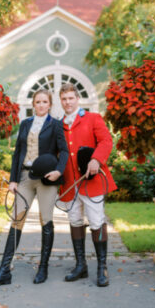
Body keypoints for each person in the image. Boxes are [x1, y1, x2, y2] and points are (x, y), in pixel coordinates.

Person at [0, 89, 68, 288]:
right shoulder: (25, 124)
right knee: (17, 219)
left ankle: (43, 267)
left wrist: (58, 171)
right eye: (37, 102)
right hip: (25, 177)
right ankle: (4, 270)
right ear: (34, 104)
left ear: (49, 104)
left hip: (47, 179)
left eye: (44, 102)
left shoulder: (56, 124)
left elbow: (64, 150)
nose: (40, 105)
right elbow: (17, 153)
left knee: (46, 220)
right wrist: (13, 180)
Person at [58, 83, 117, 287]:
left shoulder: (92, 118)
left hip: (92, 182)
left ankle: (102, 267)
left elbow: (106, 141)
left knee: (96, 221)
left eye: (71, 98)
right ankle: (81, 266)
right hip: (70, 183)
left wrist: (96, 159)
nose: (68, 102)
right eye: (64, 99)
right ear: (61, 101)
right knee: (75, 221)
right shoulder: (59, 125)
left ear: (77, 99)